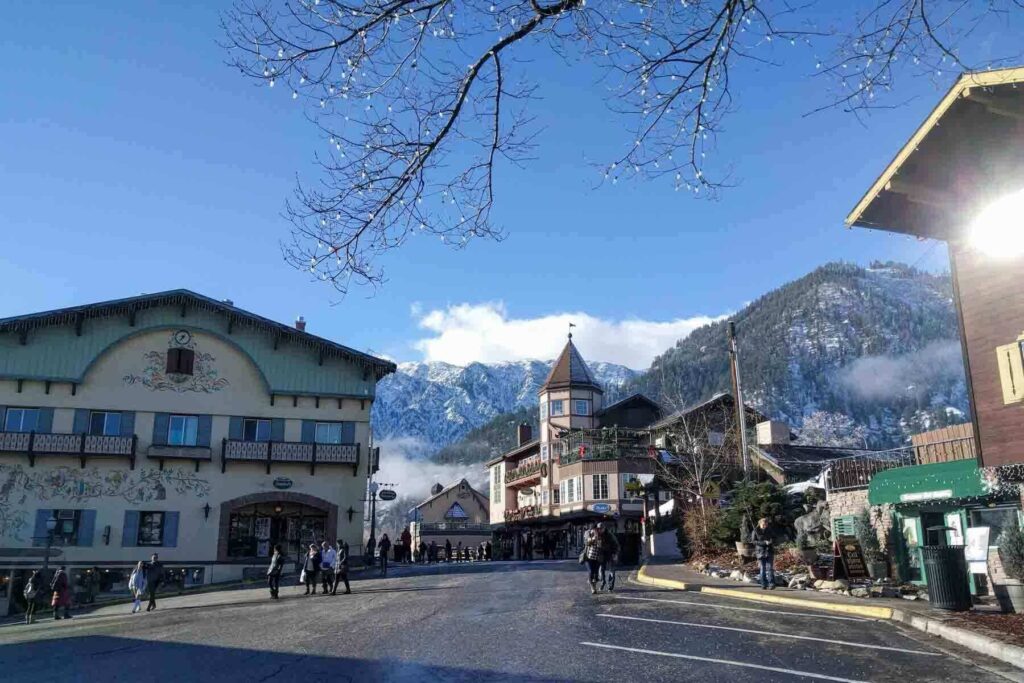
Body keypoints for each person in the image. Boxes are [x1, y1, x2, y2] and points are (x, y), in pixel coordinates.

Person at [751, 517, 776, 590]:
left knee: (770, 568)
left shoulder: (770, 530)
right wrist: (764, 542)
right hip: (760, 552)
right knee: (763, 568)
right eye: (763, 524)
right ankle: (763, 584)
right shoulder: (755, 531)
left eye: (766, 524)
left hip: (769, 551)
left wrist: (771, 541)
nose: (765, 525)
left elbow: (774, 538)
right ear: (760, 524)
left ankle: (772, 584)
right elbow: (753, 541)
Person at [582, 523, 604, 595]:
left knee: (596, 574)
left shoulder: (600, 535)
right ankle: (592, 588)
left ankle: (594, 586)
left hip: (597, 557)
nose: (595, 531)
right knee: (591, 571)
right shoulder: (587, 534)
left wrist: (599, 540)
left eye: (596, 529)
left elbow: (601, 546)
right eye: (593, 529)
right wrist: (592, 539)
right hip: (588, 557)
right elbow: (586, 542)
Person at [599, 524, 620, 592]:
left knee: (612, 571)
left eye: (601, 528)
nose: (600, 529)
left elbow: (617, 545)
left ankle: (610, 586)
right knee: (601, 570)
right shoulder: (598, 535)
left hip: (610, 554)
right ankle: (603, 582)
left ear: (604, 528)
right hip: (602, 555)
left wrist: (615, 554)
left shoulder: (610, 535)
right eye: (599, 528)